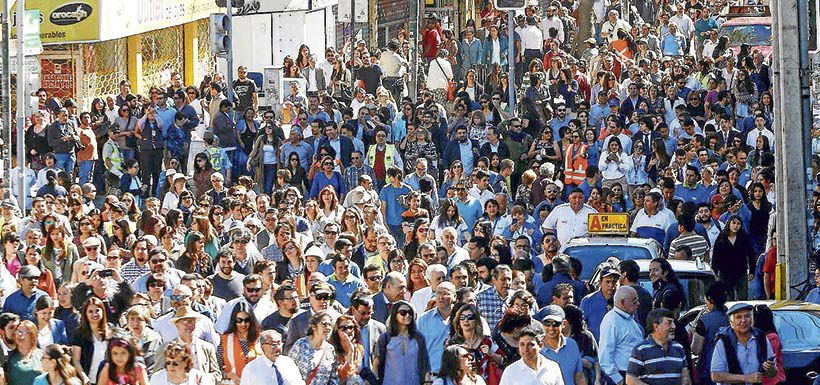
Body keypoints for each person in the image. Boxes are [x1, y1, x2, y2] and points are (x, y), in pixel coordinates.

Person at [710, 303, 778, 385]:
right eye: (738, 317)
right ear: (731, 323)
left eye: (747, 316)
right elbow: (715, 376)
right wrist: (746, 378)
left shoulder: (761, 338)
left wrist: (770, 369)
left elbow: (772, 374)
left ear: (752, 320)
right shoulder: (724, 341)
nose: (743, 320)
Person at [626, 308, 688, 385]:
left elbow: (685, 377)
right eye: (669, 323)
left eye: (673, 322)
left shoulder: (679, 348)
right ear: (656, 327)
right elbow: (630, 379)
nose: (674, 326)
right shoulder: (641, 350)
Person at [376, 300, 430, 385]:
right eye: (403, 312)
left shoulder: (419, 338)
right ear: (395, 315)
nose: (407, 315)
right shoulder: (385, 338)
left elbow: (425, 363)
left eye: (410, 313)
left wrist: (427, 381)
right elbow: (377, 363)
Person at [599, 286, 644, 385]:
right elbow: (605, 356)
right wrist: (618, 379)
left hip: (634, 374)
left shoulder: (630, 318)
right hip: (621, 375)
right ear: (623, 302)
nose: (638, 304)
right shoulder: (611, 321)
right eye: (634, 301)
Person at [498, 326, 563, 385]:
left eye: (530, 344)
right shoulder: (510, 371)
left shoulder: (553, 367)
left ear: (540, 346)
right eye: (522, 344)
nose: (525, 349)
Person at [539, 305, 585, 385]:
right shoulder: (534, 346)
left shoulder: (572, 344)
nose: (551, 328)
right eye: (547, 323)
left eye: (555, 324)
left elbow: (579, 376)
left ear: (563, 324)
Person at [239, 330, 305, 385]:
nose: (278, 348)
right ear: (262, 346)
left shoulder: (288, 363)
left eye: (279, 343)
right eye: (273, 345)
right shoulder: (251, 369)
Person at [290, 311, 338, 385]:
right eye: (324, 324)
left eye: (329, 325)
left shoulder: (330, 349)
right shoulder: (301, 344)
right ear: (313, 327)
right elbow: (289, 369)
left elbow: (333, 377)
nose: (328, 328)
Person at [149, 341, 215, 385]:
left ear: (186, 362)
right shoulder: (157, 378)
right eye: (168, 363)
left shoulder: (199, 377)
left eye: (175, 363)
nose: (171, 366)